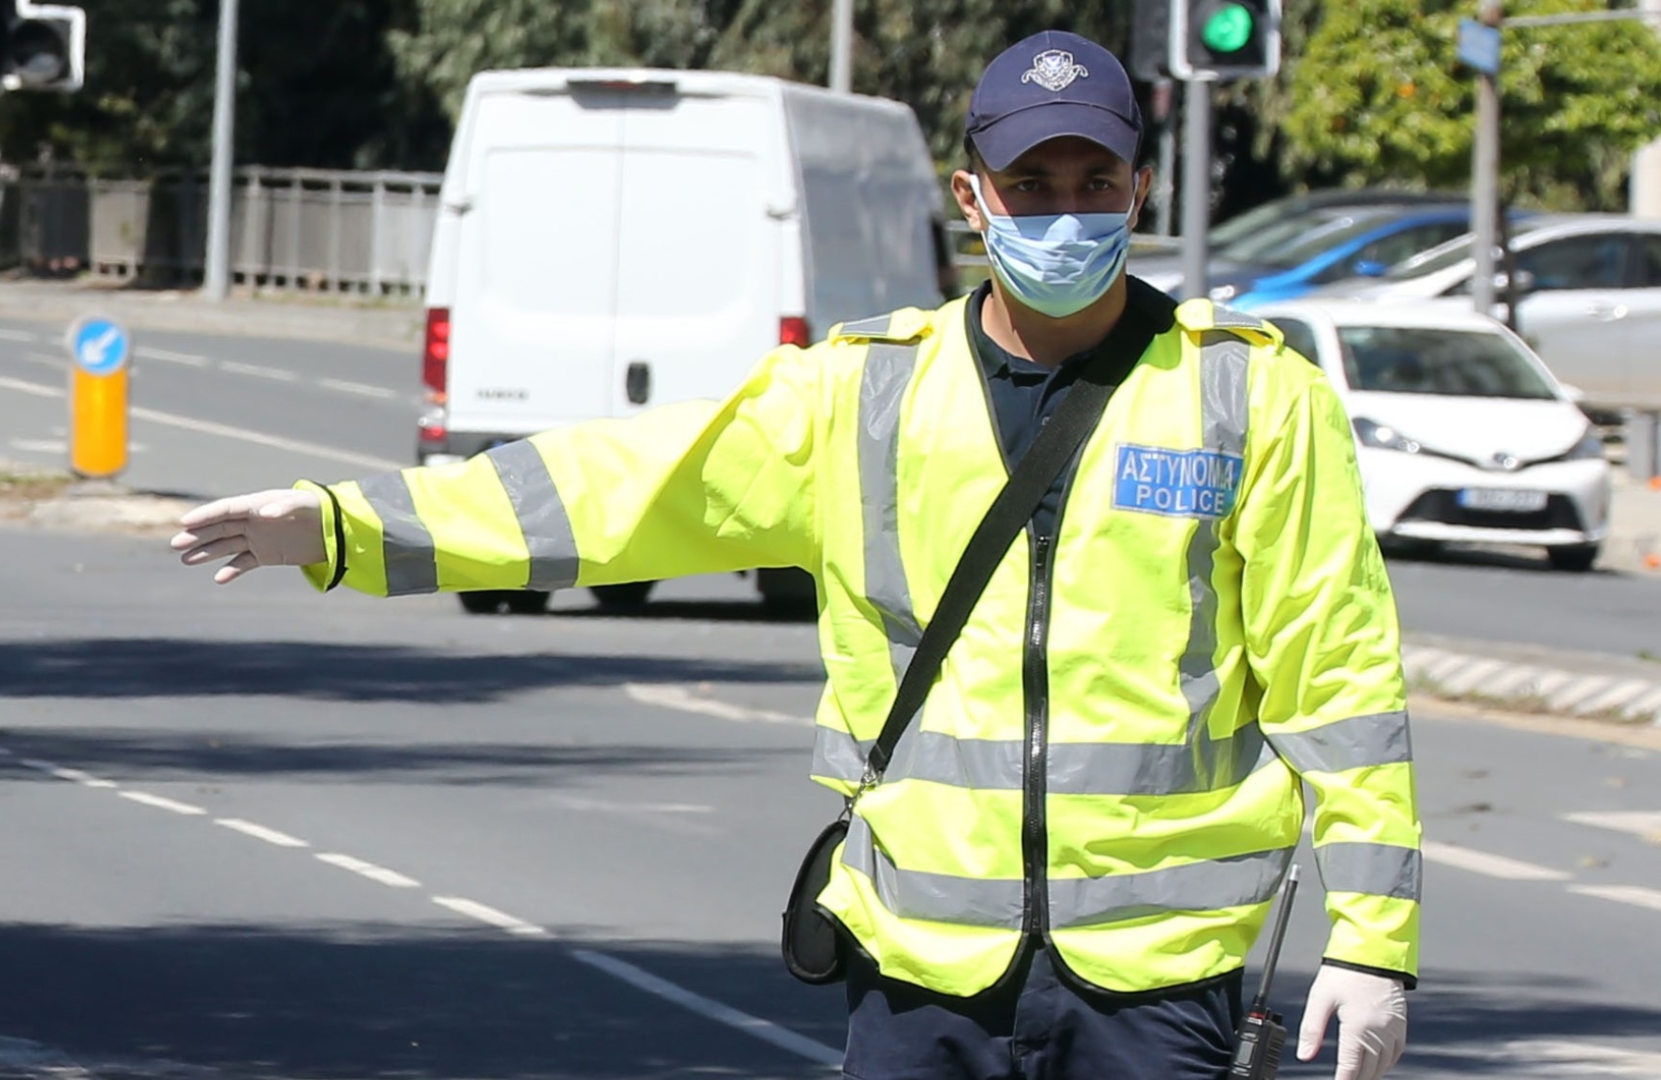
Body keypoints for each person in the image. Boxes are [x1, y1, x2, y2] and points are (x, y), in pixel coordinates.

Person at [171, 30, 1419, 1080]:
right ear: (972, 193)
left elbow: (1343, 685)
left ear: (1140, 191)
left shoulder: (1250, 398)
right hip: (926, 974)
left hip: (1162, 987)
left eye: (1096, 180)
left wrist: (1372, 943)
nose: (1065, 211)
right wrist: (345, 526)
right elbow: (617, 491)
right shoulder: (862, 395)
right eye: (1032, 184)